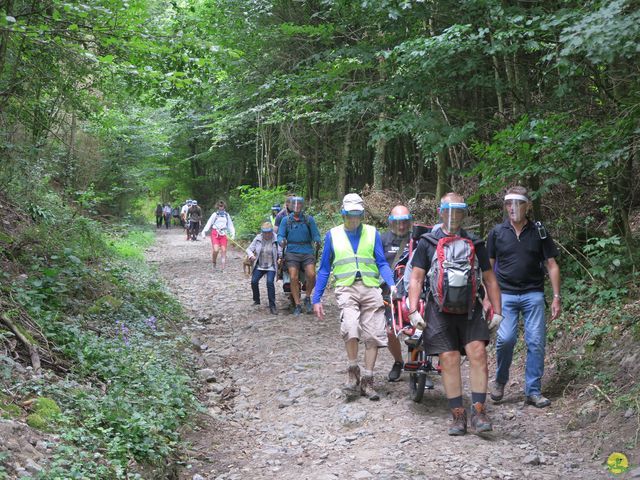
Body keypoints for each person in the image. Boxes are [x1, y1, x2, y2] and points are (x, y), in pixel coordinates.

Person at [408, 192, 503, 435]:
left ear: (464, 213)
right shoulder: (427, 242)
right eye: (449, 210)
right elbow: (416, 278)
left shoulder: (474, 242)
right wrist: (413, 310)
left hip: (470, 308)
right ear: (441, 212)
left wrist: (498, 311)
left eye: (458, 211)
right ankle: (457, 414)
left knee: (478, 352)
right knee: (448, 358)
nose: (453, 216)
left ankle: (479, 411)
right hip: (438, 309)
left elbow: (490, 280)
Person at [313, 193, 396, 401]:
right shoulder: (333, 235)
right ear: (343, 214)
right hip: (346, 288)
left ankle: (368, 380)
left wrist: (392, 284)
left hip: (371, 288)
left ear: (362, 214)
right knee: (350, 327)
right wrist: (316, 298)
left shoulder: (372, 233)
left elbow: (381, 262)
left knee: (374, 334)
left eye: (357, 214)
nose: (354, 219)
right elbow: (324, 269)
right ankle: (352, 371)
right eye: (350, 214)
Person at [487, 186, 561, 408]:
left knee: (536, 342)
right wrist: (487, 297)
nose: (512, 208)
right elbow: (488, 268)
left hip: (533, 294)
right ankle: (500, 381)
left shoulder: (539, 231)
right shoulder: (497, 232)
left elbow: (552, 265)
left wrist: (556, 296)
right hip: (505, 295)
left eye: (517, 203)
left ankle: (533, 390)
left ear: (527, 206)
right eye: (509, 203)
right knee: (506, 339)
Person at [380, 205, 415, 383]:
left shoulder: (417, 238)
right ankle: (398, 361)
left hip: (414, 290)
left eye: (404, 222)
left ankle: (418, 364)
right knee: (390, 331)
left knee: (419, 328)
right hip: (389, 292)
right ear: (391, 222)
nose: (401, 226)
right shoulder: (382, 239)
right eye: (397, 223)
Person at [277, 196, 321, 316]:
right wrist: (282, 241)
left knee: (312, 274)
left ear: (302, 206)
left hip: (307, 250)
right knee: (293, 277)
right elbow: (280, 235)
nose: (297, 207)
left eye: (299, 204)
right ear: (290, 206)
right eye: (294, 205)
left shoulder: (308, 219)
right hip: (292, 251)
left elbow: (316, 234)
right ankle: (297, 304)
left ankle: (307, 297)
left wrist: (317, 240)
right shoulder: (286, 220)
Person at [246, 222, 281, 315]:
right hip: (260, 265)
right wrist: (251, 255)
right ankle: (256, 300)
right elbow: (248, 249)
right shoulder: (258, 238)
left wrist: (280, 258)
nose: (266, 234)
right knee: (254, 281)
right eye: (264, 232)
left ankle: (272, 306)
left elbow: (281, 252)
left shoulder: (276, 238)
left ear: (271, 231)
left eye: (268, 232)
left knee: (269, 282)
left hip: (271, 266)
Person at [201, 201, 236, 271]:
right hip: (215, 233)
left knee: (224, 250)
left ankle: (223, 267)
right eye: (220, 206)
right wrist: (203, 232)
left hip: (223, 233)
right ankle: (214, 262)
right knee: (216, 250)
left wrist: (233, 234)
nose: (221, 208)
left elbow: (230, 225)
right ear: (218, 207)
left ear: (224, 207)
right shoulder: (215, 215)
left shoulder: (226, 215)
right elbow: (209, 223)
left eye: (222, 206)